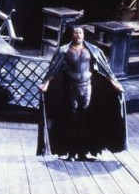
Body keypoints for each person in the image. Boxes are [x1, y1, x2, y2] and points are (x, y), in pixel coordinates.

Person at [37, 24, 127, 161]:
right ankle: (71, 153)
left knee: (84, 118)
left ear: (83, 35)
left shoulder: (92, 51)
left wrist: (115, 83)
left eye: (80, 33)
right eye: (75, 33)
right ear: (72, 35)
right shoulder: (64, 51)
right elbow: (54, 68)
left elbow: (103, 68)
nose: (78, 35)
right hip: (72, 87)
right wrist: (46, 83)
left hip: (87, 87)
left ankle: (82, 152)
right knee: (72, 118)